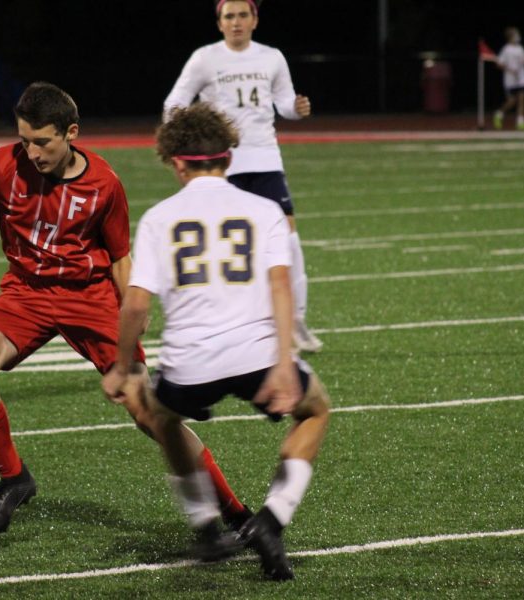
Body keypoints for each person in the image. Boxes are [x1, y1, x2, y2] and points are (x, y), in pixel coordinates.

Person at [0, 81, 248, 540]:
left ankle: (235, 511)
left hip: (88, 298)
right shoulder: (4, 165)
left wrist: (133, 301)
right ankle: (15, 479)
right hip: (26, 293)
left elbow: (117, 254)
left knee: (149, 413)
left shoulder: (104, 183)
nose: (32, 152)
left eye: (43, 141)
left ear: (71, 132)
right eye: (25, 140)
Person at [102, 103, 330, 580]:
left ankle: (206, 525)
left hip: (190, 366)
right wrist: (286, 361)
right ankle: (271, 520)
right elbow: (282, 288)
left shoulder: (161, 218)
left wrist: (123, 368)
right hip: (259, 356)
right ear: (228, 157)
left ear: (177, 162)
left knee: (161, 416)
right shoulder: (264, 210)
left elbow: (137, 307)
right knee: (315, 410)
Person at [163, 0, 323, 354]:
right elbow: (175, 102)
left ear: (255, 20)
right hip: (223, 165)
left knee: (289, 242)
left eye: (242, 15)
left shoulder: (272, 57)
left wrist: (295, 110)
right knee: (226, 246)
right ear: (219, 23)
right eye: (229, 16)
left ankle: (295, 322)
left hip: (265, 159)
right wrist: (189, 137)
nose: (236, 22)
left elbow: (281, 104)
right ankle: (227, 324)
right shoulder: (205, 58)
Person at [491, 26, 524, 131]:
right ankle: (499, 114)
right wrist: (510, 69)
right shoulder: (506, 49)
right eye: (515, 34)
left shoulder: (520, 48)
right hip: (510, 80)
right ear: (510, 36)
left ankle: (520, 122)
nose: (518, 36)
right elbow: (499, 64)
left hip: (522, 78)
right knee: (512, 101)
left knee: (522, 98)